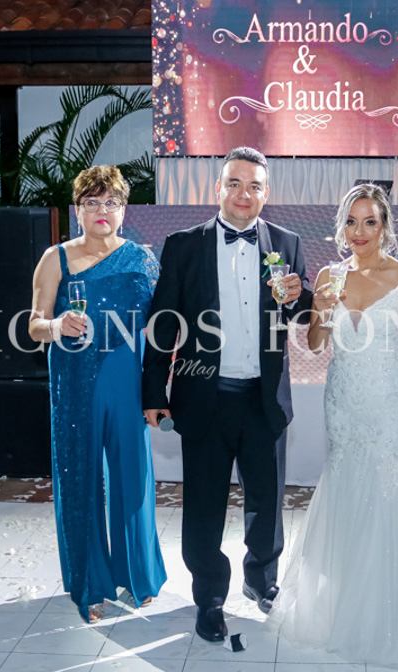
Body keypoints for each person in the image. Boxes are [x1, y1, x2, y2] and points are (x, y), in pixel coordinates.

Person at [269, 183, 398, 668]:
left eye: (370, 221)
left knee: (391, 485)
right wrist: (323, 313)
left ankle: (397, 610)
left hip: (391, 399)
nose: (360, 231)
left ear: (385, 226)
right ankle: (344, 604)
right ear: (341, 227)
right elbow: (315, 344)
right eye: (352, 221)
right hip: (344, 400)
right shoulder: (329, 275)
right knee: (348, 481)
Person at [142, 147, 313, 642]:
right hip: (204, 397)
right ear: (218, 188)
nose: (244, 193)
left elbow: (303, 315)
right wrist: (154, 390)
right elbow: (162, 324)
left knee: (267, 500)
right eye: (234, 183)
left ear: (266, 193)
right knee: (203, 504)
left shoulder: (288, 242)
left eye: (254, 185)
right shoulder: (183, 245)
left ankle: (262, 580)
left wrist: (299, 296)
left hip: (264, 399)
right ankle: (210, 597)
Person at [28, 165, 167, 623]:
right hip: (74, 384)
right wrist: (56, 325)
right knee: (80, 479)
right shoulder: (56, 259)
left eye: (111, 202)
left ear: (124, 210)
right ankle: (89, 585)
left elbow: (165, 323)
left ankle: (138, 576)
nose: (102, 210)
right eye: (92, 202)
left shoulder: (142, 260)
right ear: (77, 210)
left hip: (127, 383)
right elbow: (34, 324)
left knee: (133, 478)